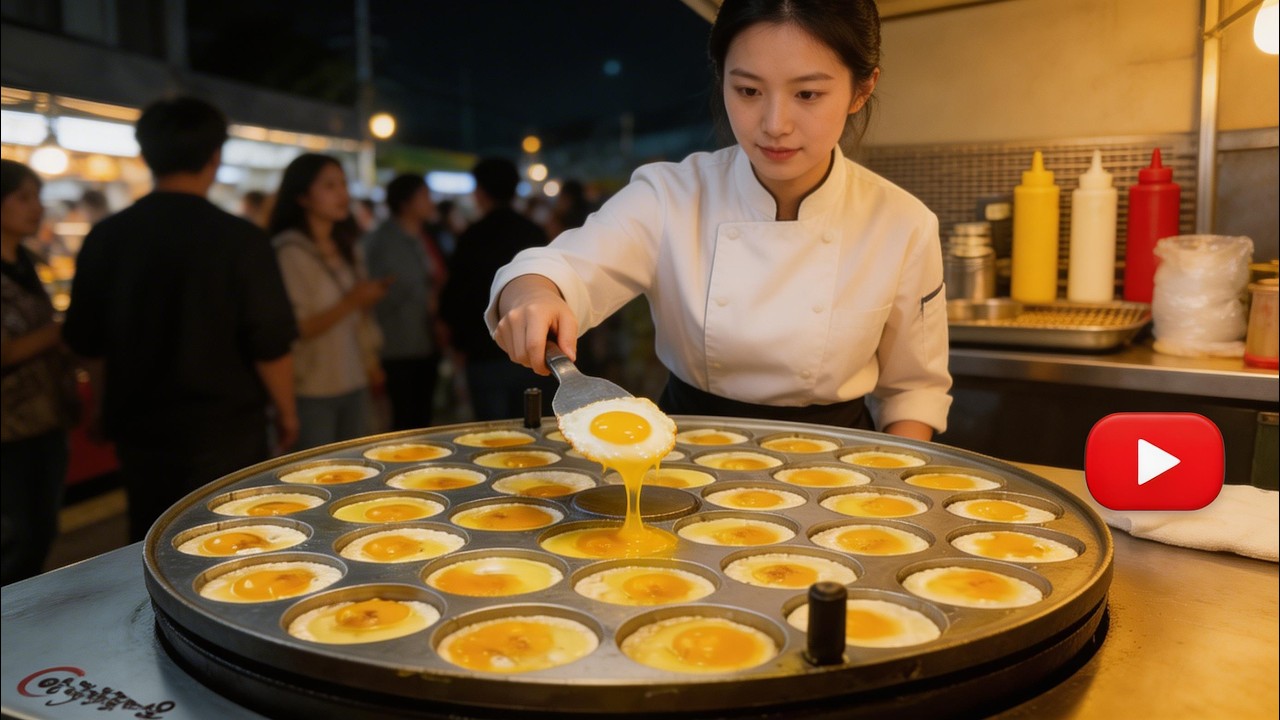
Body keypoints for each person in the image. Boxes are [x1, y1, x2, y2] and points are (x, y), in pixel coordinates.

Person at [488, 0, 951, 439]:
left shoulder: (902, 223)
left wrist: (887, 488)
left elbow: (913, 391)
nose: (775, 123)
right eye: (748, 90)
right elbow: (562, 268)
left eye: (808, 93)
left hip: (841, 468)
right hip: (689, 456)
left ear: (861, 89)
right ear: (721, 77)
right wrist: (531, 290)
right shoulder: (670, 196)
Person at [63, 96, 299, 542]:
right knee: (233, 535)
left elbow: (88, 339)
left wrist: (102, 404)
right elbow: (269, 338)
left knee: (152, 538)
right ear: (215, 156)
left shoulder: (106, 237)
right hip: (226, 426)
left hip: (140, 426)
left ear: (145, 155)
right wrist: (286, 410)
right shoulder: (240, 239)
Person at [270, 154, 389, 448]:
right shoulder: (289, 251)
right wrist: (353, 301)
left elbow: (357, 315)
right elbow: (297, 328)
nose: (342, 194)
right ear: (302, 196)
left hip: (355, 377)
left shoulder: (346, 245)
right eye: (329, 186)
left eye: (344, 185)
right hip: (312, 387)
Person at [1, 160, 79, 584]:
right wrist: (59, 332)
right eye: (23, 197)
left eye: (37, 197)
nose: (36, 208)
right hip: (11, 428)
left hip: (46, 418)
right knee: (21, 536)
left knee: (40, 528)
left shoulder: (24, 263)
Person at [441, 157, 554, 421]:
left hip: (483, 352)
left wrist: (458, 344)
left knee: (493, 436)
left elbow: (457, 297)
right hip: (534, 349)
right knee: (536, 429)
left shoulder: (472, 236)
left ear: (480, 192)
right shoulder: (533, 232)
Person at [361, 174, 443, 430]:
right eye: (425, 196)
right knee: (403, 421)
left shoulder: (422, 237)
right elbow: (374, 294)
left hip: (426, 341)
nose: (431, 202)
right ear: (405, 203)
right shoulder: (381, 241)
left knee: (423, 417)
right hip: (395, 344)